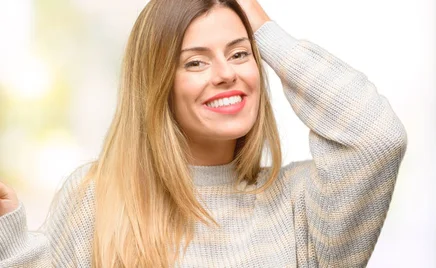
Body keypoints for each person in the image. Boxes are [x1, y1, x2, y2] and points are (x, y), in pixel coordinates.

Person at [0, 0, 407, 267]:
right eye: (195, 62)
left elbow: (377, 138)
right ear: (158, 85)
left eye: (239, 53)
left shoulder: (301, 204)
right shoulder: (97, 196)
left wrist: (264, 29)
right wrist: (10, 240)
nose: (227, 73)